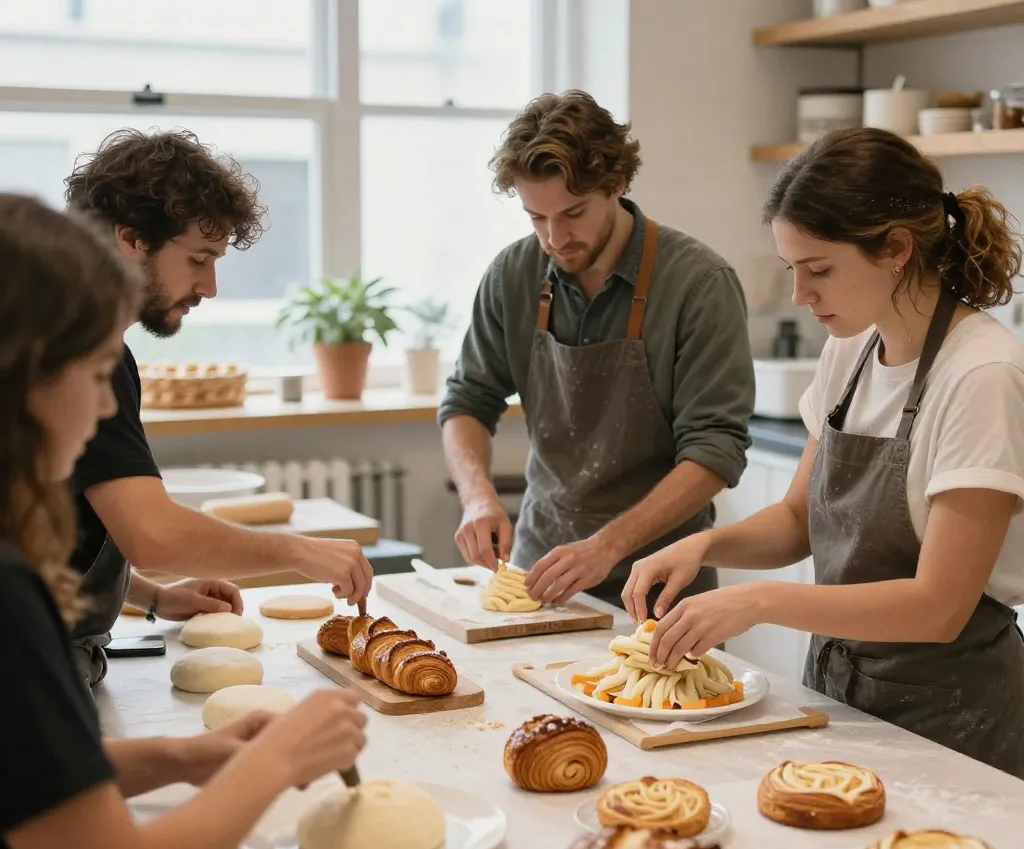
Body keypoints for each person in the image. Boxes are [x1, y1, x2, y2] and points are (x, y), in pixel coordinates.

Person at [0, 192, 368, 849]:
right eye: (94, 375)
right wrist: (274, 765)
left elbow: (29, 785)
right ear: (23, 380)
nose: (104, 409)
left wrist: (180, 759)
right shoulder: (10, 600)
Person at [623, 127, 1024, 778]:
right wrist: (702, 545)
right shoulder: (852, 350)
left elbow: (939, 605)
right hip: (843, 695)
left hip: (956, 719)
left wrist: (757, 602)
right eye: (792, 270)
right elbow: (796, 520)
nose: (799, 297)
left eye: (819, 270)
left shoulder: (981, 375)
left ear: (896, 248)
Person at [63, 129, 373, 689]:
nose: (209, 286)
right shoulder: (80, 349)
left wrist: (153, 595)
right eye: (199, 259)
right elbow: (150, 532)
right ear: (131, 239)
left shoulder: (86, 339)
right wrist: (299, 552)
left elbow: (63, 519)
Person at [439, 90, 754, 609]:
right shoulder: (512, 275)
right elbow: (467, 401)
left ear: (618, 183)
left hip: (661, 584)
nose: (554, 238)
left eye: (573, 213)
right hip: (541, 571)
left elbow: (714, 451)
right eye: (535, 218)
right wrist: (477, 497)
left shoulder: (699, 284)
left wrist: (608, 545)